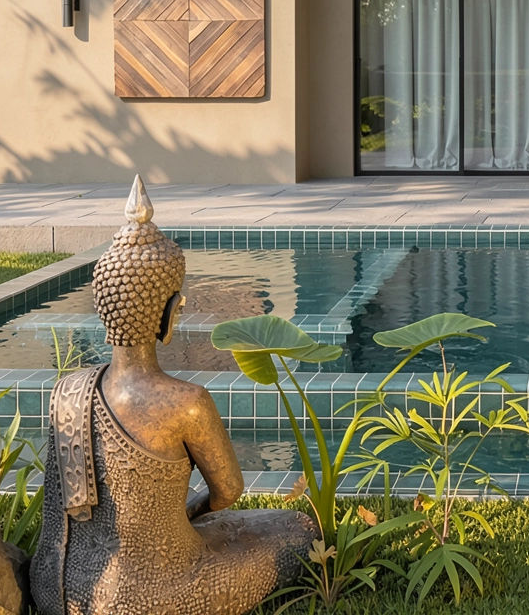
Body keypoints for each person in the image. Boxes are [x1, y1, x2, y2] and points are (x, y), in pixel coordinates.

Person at [29, 177, 318, 615]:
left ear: (105, 309)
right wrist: (190, 510)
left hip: (62, 590)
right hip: (158, 594)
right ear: (168, 311)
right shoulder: (187, 402)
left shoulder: (67, 392)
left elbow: (57, 519)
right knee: (296, 527)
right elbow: (227, 493)